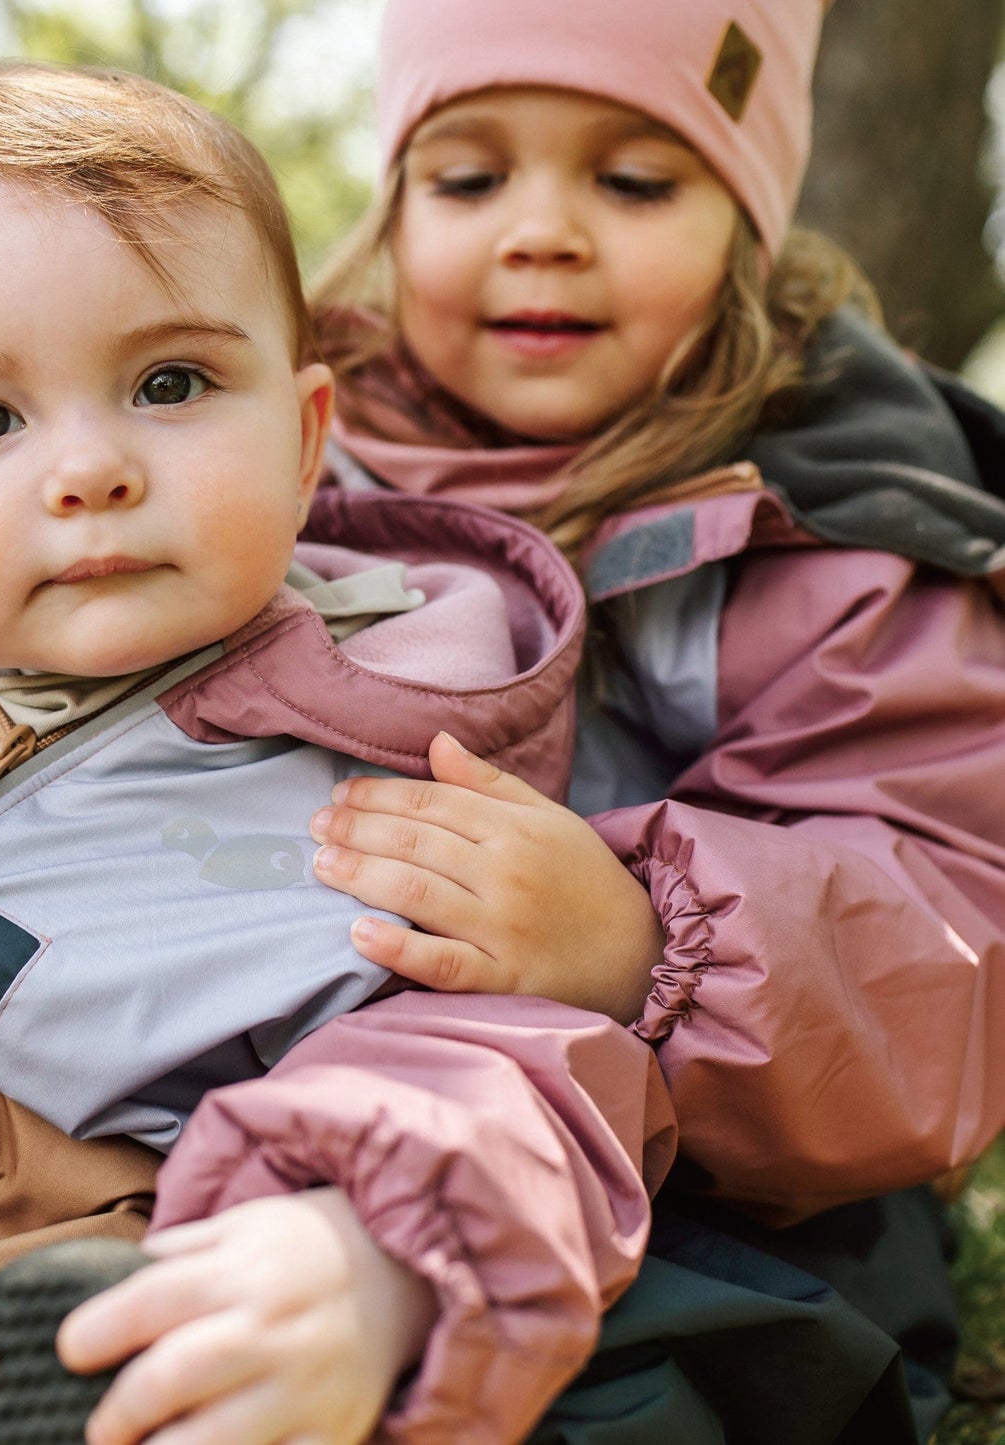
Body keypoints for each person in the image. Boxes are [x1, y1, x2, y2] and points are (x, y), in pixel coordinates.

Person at [0, 59, 675, 1445]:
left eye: (168, 382)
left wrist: (366, 1249)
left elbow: (495, 1064)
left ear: (303, 437)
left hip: (52, 1238)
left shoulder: (398, 760)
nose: (87, 468)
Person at [134, 0, 999, 1438]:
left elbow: (947, 944)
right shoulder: (281, 459)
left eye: (633, 179)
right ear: (394, 204)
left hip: (704, 1179)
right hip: (278, 1055)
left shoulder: (839, 537)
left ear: (747, 213)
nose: (540, 230)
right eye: (469, 178)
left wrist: (641, 942)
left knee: (628, 1382)